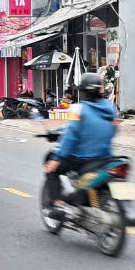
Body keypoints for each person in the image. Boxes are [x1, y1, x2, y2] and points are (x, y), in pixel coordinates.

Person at [44, 72, 118, 221]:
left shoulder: (78, 109)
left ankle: (58, 206)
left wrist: (57, 158)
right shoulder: (111, 107)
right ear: (99, 90)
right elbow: (113, 130)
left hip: (82, 159)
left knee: (51, 169)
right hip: (105, 157)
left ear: (82, 91)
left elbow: (70, 136)